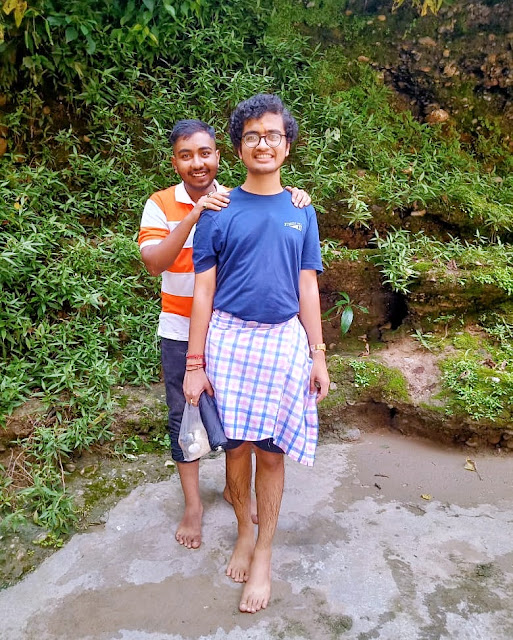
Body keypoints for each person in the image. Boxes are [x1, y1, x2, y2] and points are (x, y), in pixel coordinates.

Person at [183, 95, 329, 613]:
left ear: (287, 146)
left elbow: (307, 285)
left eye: (272, 135)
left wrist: (318, 355)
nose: (262, 143)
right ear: (239, 148)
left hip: (282, 343)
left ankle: (264, 551)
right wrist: (194, 365)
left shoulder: (301, 209)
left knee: (272, 452)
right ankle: (245, 529)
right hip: (228, 342)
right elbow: (203, 291)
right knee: (237, 452)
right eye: (251, 136)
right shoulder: (218, 211)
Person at [138, 119, 311, 550]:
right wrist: (196, 212)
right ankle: (194, 506)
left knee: (242, 423)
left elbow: (269, 212)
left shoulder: (235, 198)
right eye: (186, 155)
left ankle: (241, 496)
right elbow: (155, 262)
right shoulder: (162, 204)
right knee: (187, 415)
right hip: (182, 330)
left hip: (227, 333)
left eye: (205, 153)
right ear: (174, 161)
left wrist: (294, 197)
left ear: (220, 155)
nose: (197, 163)